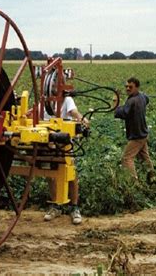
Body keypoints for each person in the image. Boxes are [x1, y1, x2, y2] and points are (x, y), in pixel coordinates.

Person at [42, 95, 89, 225]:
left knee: (71, 174)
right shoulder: (45, 101)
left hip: (65, 142)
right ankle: (56, 206)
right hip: (49, 141)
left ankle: (74, 207)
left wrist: (82, 118)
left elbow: (74, 112)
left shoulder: (67, 100)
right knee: (51, 174)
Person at [114, 77, 155, 184]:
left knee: (126, 159)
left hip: (137, 136)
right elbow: (147, 99)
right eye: (126, 86)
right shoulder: (142, 96)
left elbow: (119, 113)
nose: (127, 89)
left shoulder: (132, 101)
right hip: (143, 134)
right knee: (144, 158)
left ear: (136, 87)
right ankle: (152, 179)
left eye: (130, 87)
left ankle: (134, 184)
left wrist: (115, 99)